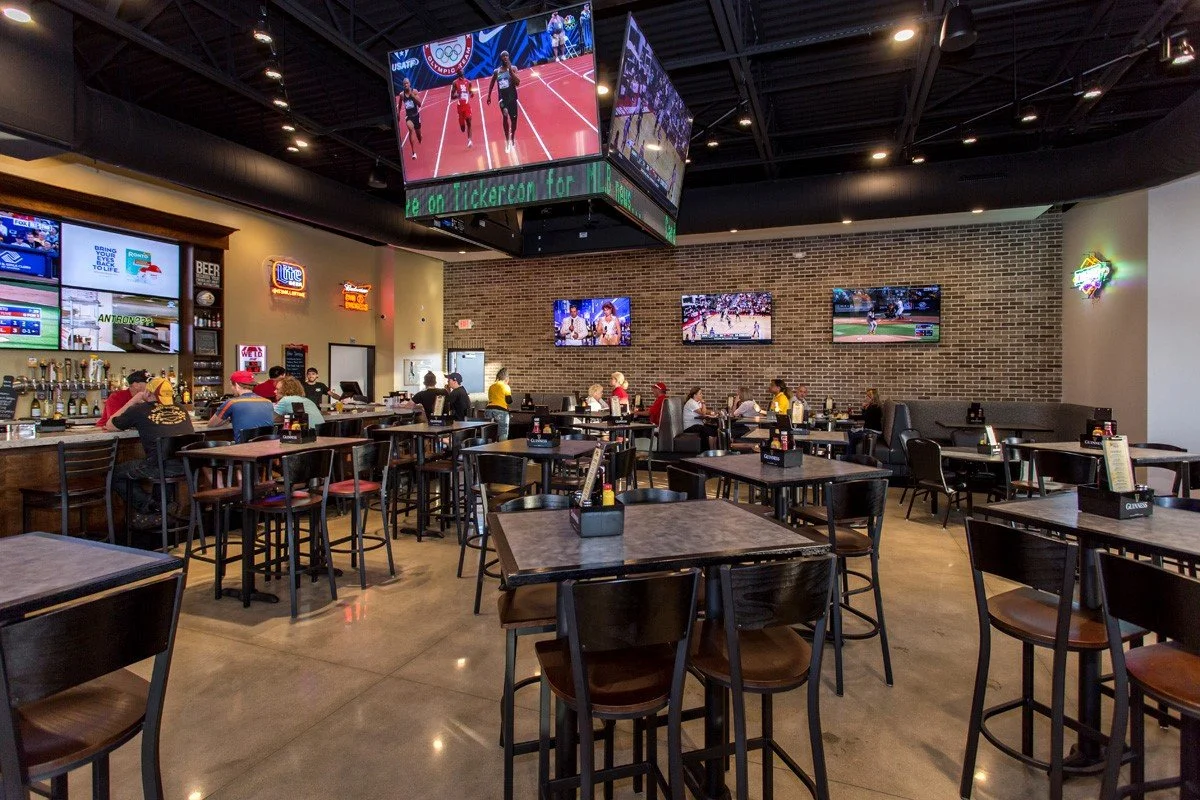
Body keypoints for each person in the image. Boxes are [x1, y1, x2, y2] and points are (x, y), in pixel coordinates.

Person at [106, 376, 194, 529]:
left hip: (159, 467)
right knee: (162, 465)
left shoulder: (139, 409)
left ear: (148, 392)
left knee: (112, 474)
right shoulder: (181, 408)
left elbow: (110, 425)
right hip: (186, 466)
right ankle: (164, 509)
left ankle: (151, 506)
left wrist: (133, 400)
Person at [209, 370, 276, 442]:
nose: (231, 388)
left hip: (243, 450)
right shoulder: (268, 402)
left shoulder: (232, 402)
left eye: (232, 385)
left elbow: (211, 424)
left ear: (237, 386)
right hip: (267, 448)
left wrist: (228, 419)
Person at [486, 51, 521, 154]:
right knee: (505, 114)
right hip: (502, 99)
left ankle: (512, 136)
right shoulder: (497, 71)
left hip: (513, 98)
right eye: (503, 56)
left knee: (514, 121)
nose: (505, 57)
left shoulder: (513, 68)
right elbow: (492, 83)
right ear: (501, 58)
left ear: (509, 57)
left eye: (507, 56)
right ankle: (507, 141)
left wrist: (510, 72)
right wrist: (488, 96)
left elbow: (518, 83)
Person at [397, 77, 422, 159]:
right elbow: (400, 105)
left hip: (416, 115)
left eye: (407, 83)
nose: (405, 85)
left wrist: (413, 96)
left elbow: (420, 104)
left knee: (419, 136)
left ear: (409, 84)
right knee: (411, 130)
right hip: (409, 116)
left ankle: (420, 138)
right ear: (403, 85)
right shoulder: (401, 95)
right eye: (404, 84)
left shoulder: (414, 91)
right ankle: (413, 153)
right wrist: (398, 113)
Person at [485, 367, 512, 440]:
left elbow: (490, 399)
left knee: (489, 432)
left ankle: (489, 449)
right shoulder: (506, 386)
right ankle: (502, 449)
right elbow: (509, 400)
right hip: (501, 411)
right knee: (503, 431)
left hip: (488, 410)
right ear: (506, 379)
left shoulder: (491, 386)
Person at [451, 69, 474, 148]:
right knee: (463, 128)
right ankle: (461, 124)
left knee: (469, 121)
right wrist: (458, 95)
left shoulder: (469, 82)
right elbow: (452, 96)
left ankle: (470, 140)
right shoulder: (455, 83)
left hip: (467, 105)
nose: (461, 71)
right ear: (457, 73)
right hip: (460, 106)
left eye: (462, 70)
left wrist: (471, 93)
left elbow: (471, 93)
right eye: (459, 70)